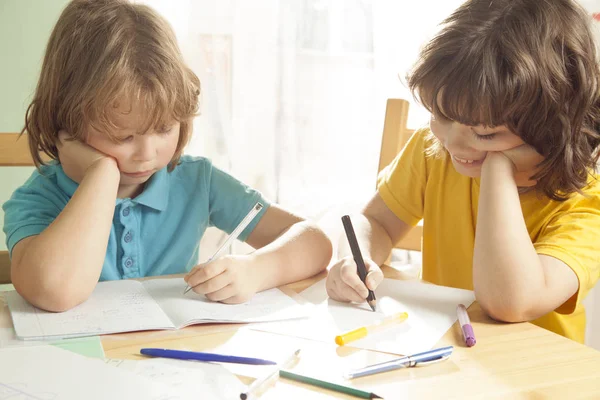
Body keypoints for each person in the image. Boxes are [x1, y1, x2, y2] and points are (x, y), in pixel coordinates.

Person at [3, 0, 332, 313]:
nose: (146, 155)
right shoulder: (39, 199)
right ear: (66, 121)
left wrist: (256, 271)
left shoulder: (195, 182)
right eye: (123, 136)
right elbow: (55, 291)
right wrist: (102, 175)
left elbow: (316, 243)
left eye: (164, 129)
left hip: (172, 365)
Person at [326, 0, 600, 343]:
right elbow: (377, 222)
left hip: (533, 381)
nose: (452, 142)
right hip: (443, 355)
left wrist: (497, 169)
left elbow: (510, 302)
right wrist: (357, 258)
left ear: (550, 130)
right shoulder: (434, 151)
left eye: (484, 133)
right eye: (440, 115)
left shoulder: (586, 206)